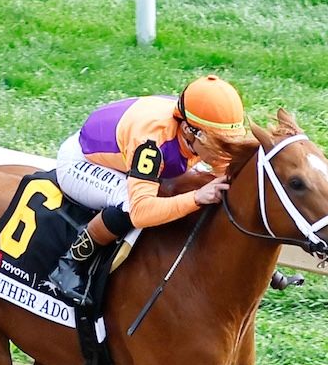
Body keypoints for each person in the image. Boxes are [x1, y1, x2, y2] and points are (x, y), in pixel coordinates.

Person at [46, 74, 247, 306]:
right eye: (220, 143)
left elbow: (227, 179)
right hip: (81, 162)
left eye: (232, 142)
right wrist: (196, 198)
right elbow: (141, 212)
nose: (227, 152)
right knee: (128, 203)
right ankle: (71, 262)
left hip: (127, 150)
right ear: (190, 131)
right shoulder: (152, 145)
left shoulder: (195, 130)